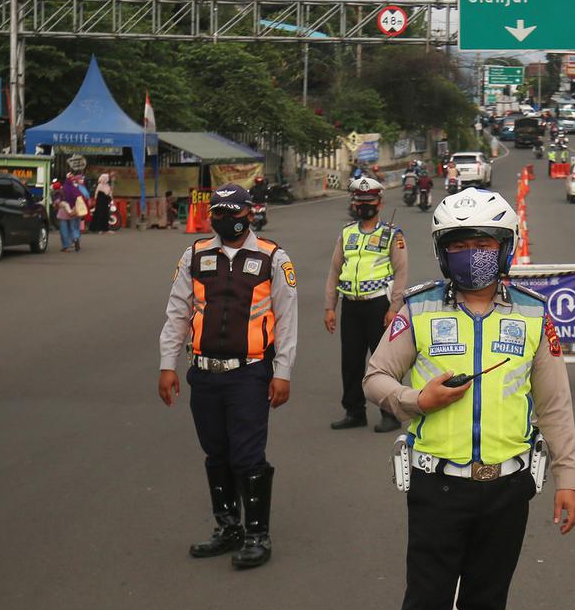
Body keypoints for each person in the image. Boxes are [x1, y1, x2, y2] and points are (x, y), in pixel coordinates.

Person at [363, 188, 575, 610]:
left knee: (484, 608)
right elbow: (375, 377)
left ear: (506, 247)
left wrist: (568, 478)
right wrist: (415, 400)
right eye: (459, 245)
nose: (472, 255)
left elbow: (555, 405)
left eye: (484, 244)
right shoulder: (419, 309)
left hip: (507, 489)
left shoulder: (532, 313)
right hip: (436, 486)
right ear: (443, 251)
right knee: (426, 607)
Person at [158, 183, 298, 570]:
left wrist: (282, 372)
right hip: (203, 374)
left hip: (250, 374)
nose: (225, 220)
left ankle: (257, 534)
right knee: (216, 452)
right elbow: (177, 313)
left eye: (232, 213)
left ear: (248, 214)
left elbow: (287, 320)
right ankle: (228, 527)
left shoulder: (273, 257)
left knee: (248, 455)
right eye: (217, 214)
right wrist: (167, 365)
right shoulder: (195, 255)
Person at [324, 177, 409, 432]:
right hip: (351, 305)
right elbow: (335, 270)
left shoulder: (392, 234)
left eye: (369, 202)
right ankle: (354, 411)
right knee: (350, 360)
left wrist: (394, 307)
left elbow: (401, 272)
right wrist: (330, 306)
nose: (364, 206)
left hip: (379, 307)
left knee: (383, 361)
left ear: (379, 204)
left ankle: (390, 413)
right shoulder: (347, 233)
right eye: (360, 202)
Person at [57, 178, 84, 252]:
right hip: (74, 212)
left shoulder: (62, 190)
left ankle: (65, 246)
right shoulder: (75, 190)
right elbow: (81, 199)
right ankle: (75, 239)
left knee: (64, 230)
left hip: (63, 212)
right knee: (74, 228)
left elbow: (58, 201)